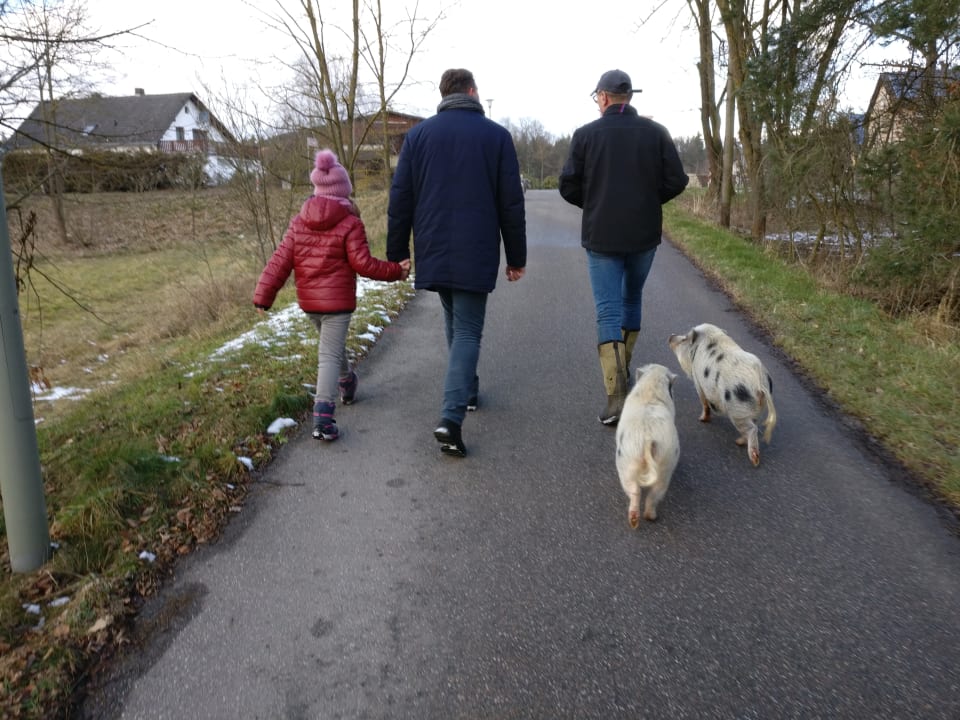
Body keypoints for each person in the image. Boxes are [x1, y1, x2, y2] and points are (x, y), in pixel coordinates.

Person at [387, 67, 526, 458]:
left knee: (453, 318)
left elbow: (401, 200)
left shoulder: (417, 137)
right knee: (466, 330)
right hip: (475, 248)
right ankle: (450, 419)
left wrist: (398, 251)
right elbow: (510, 204)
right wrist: (516, 257)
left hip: (433, 245)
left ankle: (467, 391)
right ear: (471, 91)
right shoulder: (496, 137)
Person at [559, 69, 689, 426]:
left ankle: (616, 396)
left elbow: (567, 185)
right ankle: (624, 370)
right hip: (643, 234)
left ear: (602, 97)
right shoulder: (655, 133)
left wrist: (595, 202)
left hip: (602, 235)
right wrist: (649, 200)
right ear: (629, 97)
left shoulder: (585, 135)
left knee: (607, 310)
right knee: (631, 299)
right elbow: (677, 180)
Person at [254, 149, 410, 441]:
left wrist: (264, 295)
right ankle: (323, 419)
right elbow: (363, 264)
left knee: (331, 348)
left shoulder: (298, 222)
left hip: (309, 302)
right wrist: (395, 272)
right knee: (328, 353)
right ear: (344, 190)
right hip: (337, 302)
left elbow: (280, 260)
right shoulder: (350, 222)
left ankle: (347, 381)